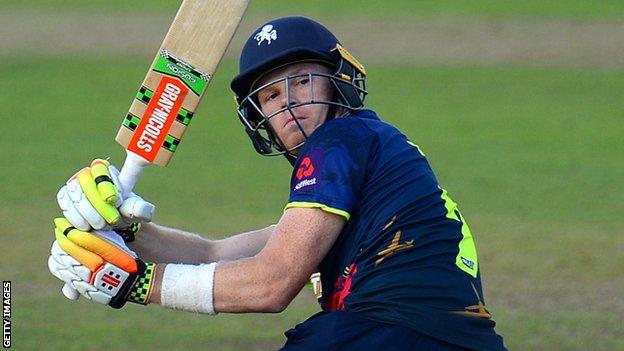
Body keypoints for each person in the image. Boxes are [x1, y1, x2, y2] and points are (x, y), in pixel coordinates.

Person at [48, 16, 507, 350]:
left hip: (393, 334)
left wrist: (137, 283)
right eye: (269, 94)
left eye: (302, 82)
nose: (288, 103)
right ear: (258, 115)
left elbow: (272, 284)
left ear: (336, 84)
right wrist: (129, 234)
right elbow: (215, 254)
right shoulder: (369, 160)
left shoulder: (340, 141)